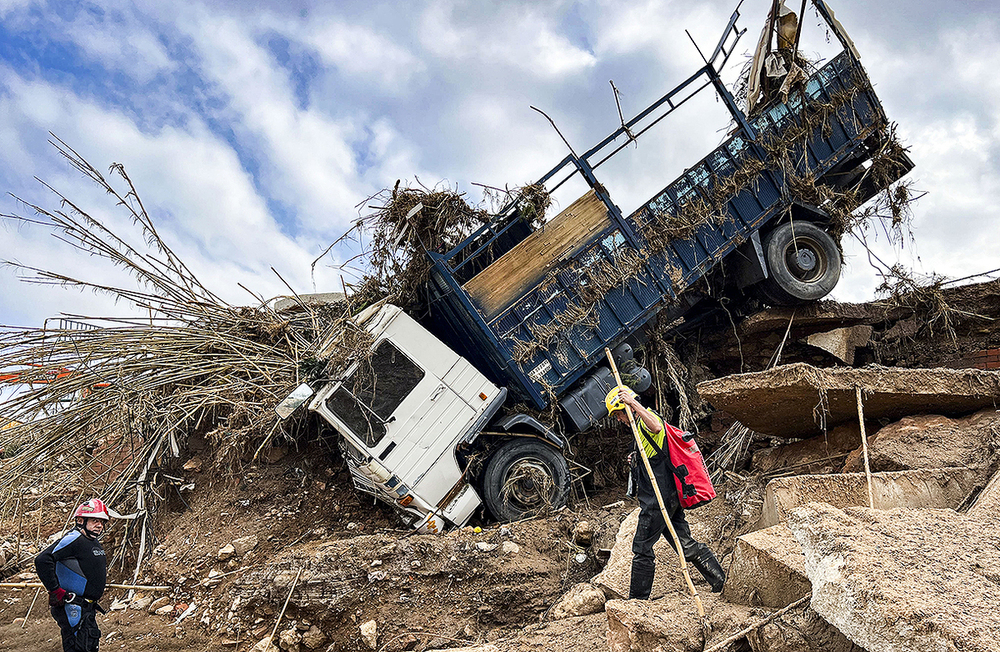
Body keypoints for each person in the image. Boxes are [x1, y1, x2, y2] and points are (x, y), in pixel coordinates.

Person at [607, 386, 726, 599]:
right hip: (667, 496)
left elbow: (655, 427)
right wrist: (635, 460)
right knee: (685, 544)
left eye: (618, 414)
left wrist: (633, 404)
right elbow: (653, 451)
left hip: (658, 499)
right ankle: (720, 581)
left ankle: (637, 600)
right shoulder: (637, 427)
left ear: (625, 408)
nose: (618, 420)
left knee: (642, 548)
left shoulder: (645, 417)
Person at [35, 499, 110, 652]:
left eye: (102, 522)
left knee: (88, 644)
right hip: (73, 607)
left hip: (86, 608)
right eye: (95, 520)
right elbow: (42, 560)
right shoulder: (74, 539)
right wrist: (55, 590)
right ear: (81, 520)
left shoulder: (92, 541)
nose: (99, 525)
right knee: (79, 647)